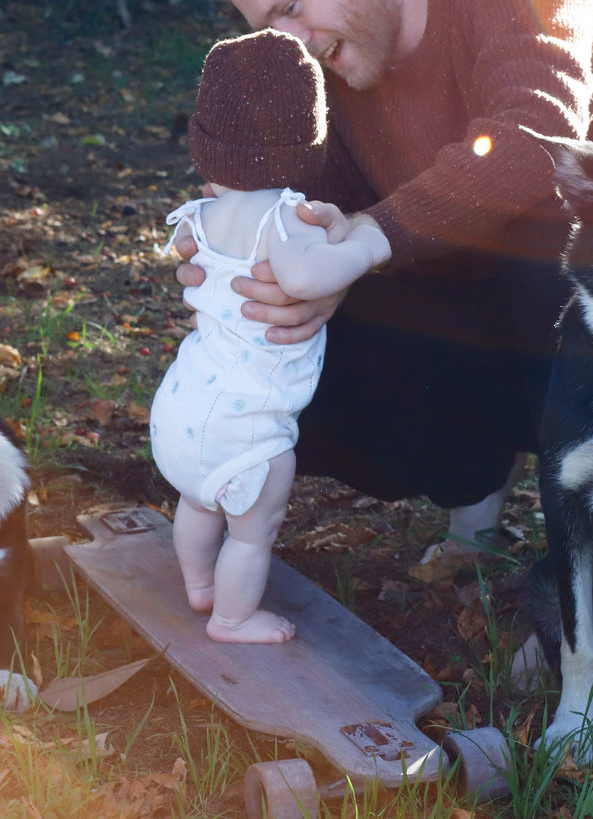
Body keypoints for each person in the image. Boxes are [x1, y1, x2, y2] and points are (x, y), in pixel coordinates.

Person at [174, 0, 593, 552]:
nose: (292, 39)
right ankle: (478, 476)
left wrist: (367, 237)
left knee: (553, 248)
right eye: (269, 26)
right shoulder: (326, 66)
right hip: (467, 280)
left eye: (292, 7)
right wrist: (258, 252)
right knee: (305, 360)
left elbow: (535, 134)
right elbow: (330, 202)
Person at [150, 29, 390, 643]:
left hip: (183, 407)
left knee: (198, 503)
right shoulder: (282, 216)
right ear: (305, 144)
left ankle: (199, 584)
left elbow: (184, 254)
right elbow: (309, 274)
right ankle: (232, 618)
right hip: (248, 428)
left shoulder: (199, 215)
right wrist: (363, 244)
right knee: (253, 530)